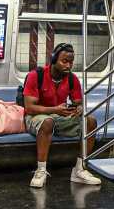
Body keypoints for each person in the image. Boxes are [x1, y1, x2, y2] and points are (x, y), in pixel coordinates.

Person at [22, 43, 102, 188]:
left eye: (71, 62)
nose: (68, 65)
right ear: (53, 59)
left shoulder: (71, 79)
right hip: (36, 116)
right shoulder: (36, 76)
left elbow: (78, 102)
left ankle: (80, 169)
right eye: (64, 61)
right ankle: (40, 171)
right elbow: (30, 108)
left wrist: (79, 109)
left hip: (59, 116)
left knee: (90, 121)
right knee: (47, 122)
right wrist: (55, 109)